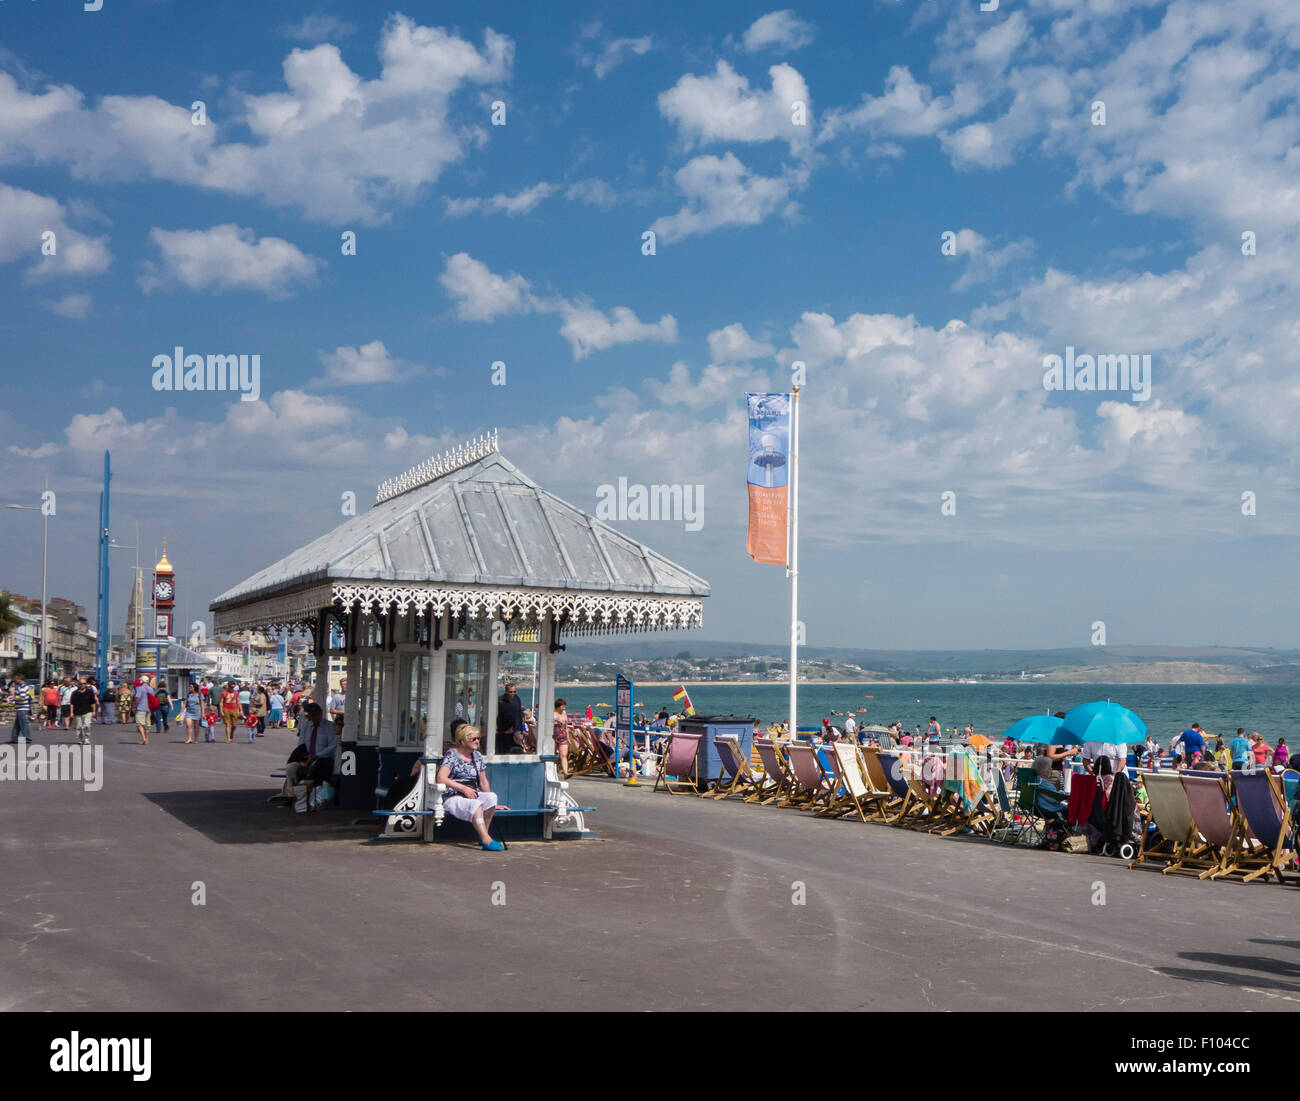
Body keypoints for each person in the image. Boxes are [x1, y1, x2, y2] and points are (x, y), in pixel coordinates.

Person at [435, 724, 508, 850]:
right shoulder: (452, 755)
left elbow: (483, 782)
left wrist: (493, 804)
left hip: (472, 793)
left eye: (478, 738)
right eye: (473, 739)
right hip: (453, 796)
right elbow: (441, 778)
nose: (477, 741)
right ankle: (486, 840)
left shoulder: (477, 756)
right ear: (462, 741)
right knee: (476, 805)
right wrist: (463, 788)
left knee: (491, 797)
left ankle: (484, 835)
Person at [496, 681, 525, 754]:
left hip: (516, 730)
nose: (513, 694)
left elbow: (519, 714)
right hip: (504, 731)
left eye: (514, 692)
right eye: (510, 692)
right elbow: (498, 717)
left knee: (518, 751)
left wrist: (521, 731)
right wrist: (502, 730)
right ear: (506, 691)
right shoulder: (500, 701)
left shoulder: (517, 699)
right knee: (505, 751)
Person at [70, 676, 96, 746]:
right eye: (81, 684)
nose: (83, 685)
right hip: (78, 712)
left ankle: (86, 738)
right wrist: (71, 712)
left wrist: (94, 711)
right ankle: (81, 739)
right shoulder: (75, 693)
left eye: (84, 683)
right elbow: (72, 703)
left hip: (87, 711)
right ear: (78, 684)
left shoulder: (89, 692)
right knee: (79, 726)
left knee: (87, 725)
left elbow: (93, 702)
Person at [9, 673, 34, 744]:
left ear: (19, 679)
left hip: (22, 708)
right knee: (17, 724)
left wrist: (14, 698)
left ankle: (27, 738)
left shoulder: (23, 687)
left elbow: (22, 698)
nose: (14, 680)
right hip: (20, 708)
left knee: (23, 724)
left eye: (16, 679)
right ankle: (14, 738)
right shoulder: (20, 686)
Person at [553, 697, 571, 777]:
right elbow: (548, 724)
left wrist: (568, 738)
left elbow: (566, 728)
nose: (564, 707)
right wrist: (555, 723)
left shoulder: (564, 715)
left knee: (563, 755)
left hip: (563, 737)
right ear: (558, 706)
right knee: (552, 755)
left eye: (564, 706)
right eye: (563, 706)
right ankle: (552, 771)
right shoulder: (552, 714)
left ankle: (565, 773)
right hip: (553, 736)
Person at [133, 677, 152, 745]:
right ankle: (146, 739)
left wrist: (135, 706)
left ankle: (143, 738)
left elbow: (137, 697)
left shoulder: (140, 688)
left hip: (141, 708)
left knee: (139, 724)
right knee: (147, 725)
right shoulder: (150, 689)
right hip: (149, 709)